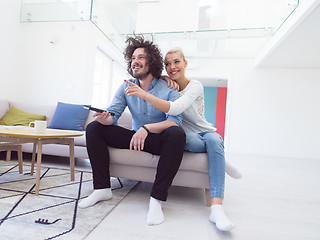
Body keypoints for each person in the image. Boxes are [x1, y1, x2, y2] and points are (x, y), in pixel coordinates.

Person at [124, 47, 240, 231]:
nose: (172, 67)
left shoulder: (195, 86)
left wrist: (145, 94)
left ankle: (217, 209)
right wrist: (162, 78)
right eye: (168, 64)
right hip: (187, 136)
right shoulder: (168, 86)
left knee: (213, 141)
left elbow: (175, 109)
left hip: (205, 132)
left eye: (177, 62)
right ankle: (221, 159)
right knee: (178, 141)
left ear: (185, 64)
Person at [79, 36, 186, 227]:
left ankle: (156, 200)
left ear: (151, 61)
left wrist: (147, 129)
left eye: (141, 57)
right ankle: (102, 188)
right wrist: (106, 118)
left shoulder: (168, 87)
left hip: (158, 140)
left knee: (177, 135)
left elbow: (174, 121)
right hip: (135, 138)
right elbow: (114, 114)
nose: (135, 61)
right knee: (95, 127)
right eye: (133, 58)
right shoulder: (126, 86)